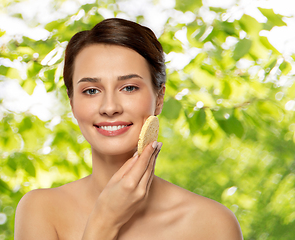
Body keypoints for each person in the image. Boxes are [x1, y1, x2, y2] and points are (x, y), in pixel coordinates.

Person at [14, 18, 243, 240]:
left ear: (159, 98)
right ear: (72, 102)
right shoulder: (41, 210)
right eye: (91, 90)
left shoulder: (212, 224)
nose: (110, 107)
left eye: (129, 87)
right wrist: (105, 220)